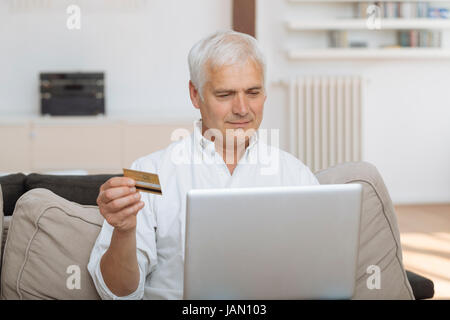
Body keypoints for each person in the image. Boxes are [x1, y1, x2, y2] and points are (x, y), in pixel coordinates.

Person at [87, 30, 319, 300]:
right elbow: (116, 294)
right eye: (225, 94)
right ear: (195, 95)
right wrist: (124, 232)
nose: (243, 109)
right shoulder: (147, 173)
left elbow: (318, 276)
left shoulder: (295, 174)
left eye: (253, 92)